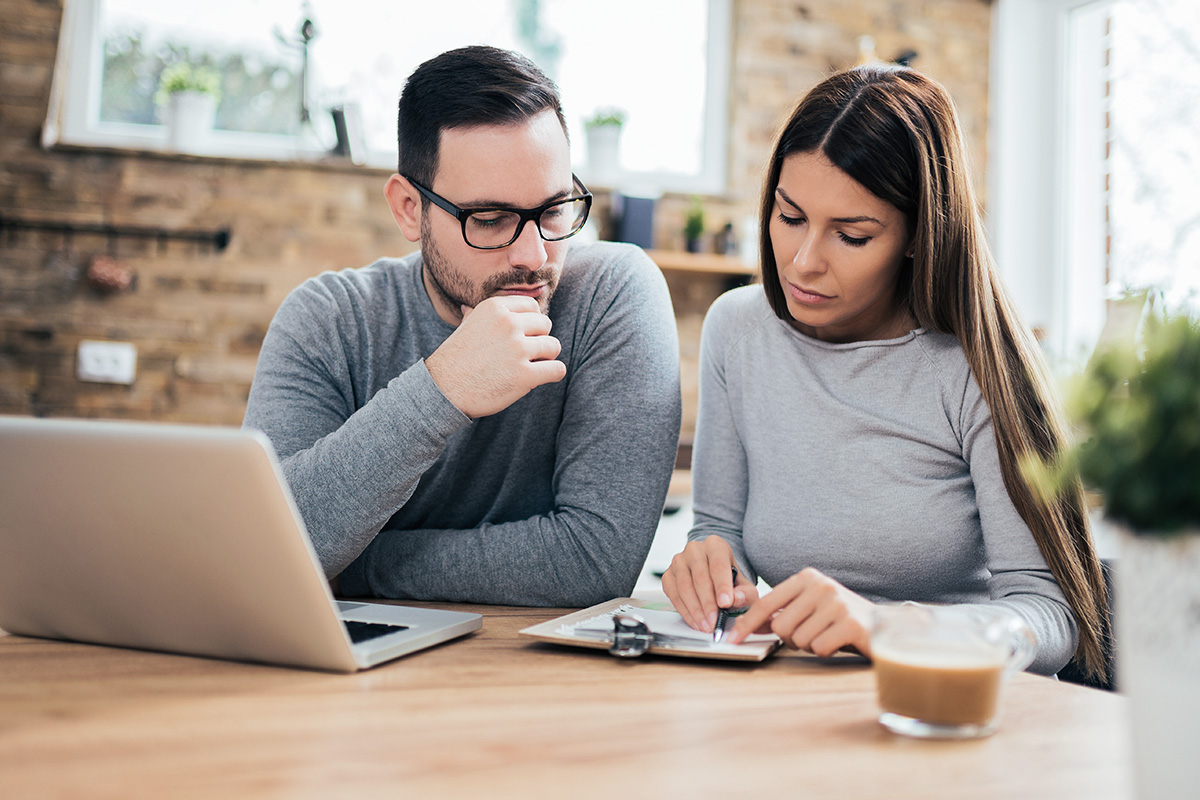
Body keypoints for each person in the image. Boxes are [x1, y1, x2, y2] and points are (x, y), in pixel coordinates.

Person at [661, 64, 1108, 680]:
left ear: (919, 236)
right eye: (790, 217)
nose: (803, 262)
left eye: (851, 235)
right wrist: (708, 563)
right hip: (798, 704)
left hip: (951, 710)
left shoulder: (978, 369)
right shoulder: (738, 330)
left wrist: (889, 628)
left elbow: (1052, 616)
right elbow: (718, 529)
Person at [244, 46, 681, 607]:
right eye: (490, 219)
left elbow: (595, 561)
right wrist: (442, 389)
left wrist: (349, 566)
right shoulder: (329, 320)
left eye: (553, 211)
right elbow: (269, 549)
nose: (534, 255)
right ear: (409, 209)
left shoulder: (612, 295)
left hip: (538, 671)